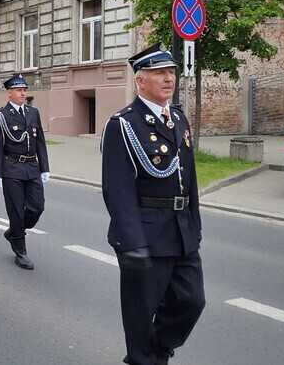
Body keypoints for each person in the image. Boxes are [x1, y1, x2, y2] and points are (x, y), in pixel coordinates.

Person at [101, 42, 205, 365]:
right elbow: (117, 191)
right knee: (140, 312)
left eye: (171, 72)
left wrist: (195, 226)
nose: (169, 79)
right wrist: (132, 244)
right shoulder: (123, 124)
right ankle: (145, 358)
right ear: (140, 80)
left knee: (192, 299)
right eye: (159, 72)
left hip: (180, 231)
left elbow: (190, 178)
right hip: (145, 234)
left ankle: (157, 350)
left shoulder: (179, 119)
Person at [0, 75, 50, 270]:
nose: (23, 93)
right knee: (15, 211)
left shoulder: (33, 112)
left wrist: (45, 168)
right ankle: (20, 251)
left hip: (32, 167)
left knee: (36, 208)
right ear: (9, 93)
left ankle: (14, 232)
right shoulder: (1, 115)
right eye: (18, 90)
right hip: (11, 168)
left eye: (24, 90)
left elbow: (40, 141)